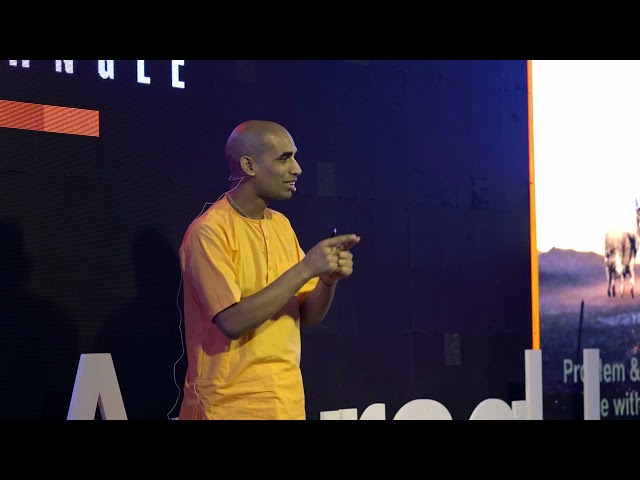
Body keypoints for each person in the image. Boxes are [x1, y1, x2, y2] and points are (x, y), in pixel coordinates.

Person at [177, 120, 360, 420]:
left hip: (285, 404)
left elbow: (308, 315)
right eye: (284, 158)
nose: (297, 169)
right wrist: (306, 268)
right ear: (249, 165)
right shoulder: (208, 232)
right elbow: (232, 321)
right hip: (226, 407)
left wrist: (327, 281)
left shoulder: (281, 225)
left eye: (294, 157)